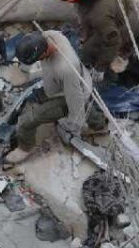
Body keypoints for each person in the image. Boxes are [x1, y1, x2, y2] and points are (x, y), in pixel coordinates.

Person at [6, 30, 106, 164]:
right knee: (85, 104)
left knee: (27, 121)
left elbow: (75, 100)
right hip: (72, 82)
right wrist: (29, 76)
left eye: (38, 59)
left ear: (43, 53)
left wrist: (74, 125)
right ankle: (99, 123)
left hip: (67, 94)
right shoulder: (50, 35)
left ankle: (25, 148)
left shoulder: (65, 68)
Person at [50, 0, 139, 77]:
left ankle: (121, 63)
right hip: (123, 11)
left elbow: (113, 40)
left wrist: (100, 68)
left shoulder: (99, 14)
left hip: (125, 26)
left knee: (91, 50)